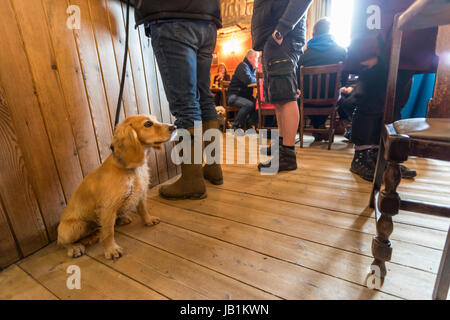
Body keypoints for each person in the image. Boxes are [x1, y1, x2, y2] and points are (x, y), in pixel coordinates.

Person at [133, 0, 223, 199]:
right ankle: (213, 168)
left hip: (172, 16)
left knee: (185, 104)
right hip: (208, 19)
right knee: (205, 98)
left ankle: (192, 180)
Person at [343, 0, 438, 182]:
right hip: (383, 45)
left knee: (395, 104)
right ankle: (362, 156)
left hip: (407, 48)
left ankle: (384, 157)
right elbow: (369, 7)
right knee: (372, 102)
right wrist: (368, 46)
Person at [252, 0, 313, 173]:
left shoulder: (281, 33)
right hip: (275, 39)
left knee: (286, 97)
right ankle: (282, 146)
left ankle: (287, 155)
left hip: (282, 37)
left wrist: (280, 31)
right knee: (279, 98)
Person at [298, 18, 347, 142]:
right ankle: (321, 127)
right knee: (343, 95)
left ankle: (317, 126)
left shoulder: (303, 57)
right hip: (331, 99)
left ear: (314, 35)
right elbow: (344, 77)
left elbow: (297, 80)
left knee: (302, 96)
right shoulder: (341, 51)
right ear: (330, 33)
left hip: (307, 100)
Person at [227, 50, 259, 130]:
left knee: (258, 104)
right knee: (249, 105)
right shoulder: (243, 66)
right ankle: (236, 126)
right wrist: (257, 78)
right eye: (256, 58)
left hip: (243, 96)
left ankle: (249, 125)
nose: (257, 60)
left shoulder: (252, 69)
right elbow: (249, 80)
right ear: (250, 58)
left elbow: (253, 79)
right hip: (234, 96)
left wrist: (255, 77)